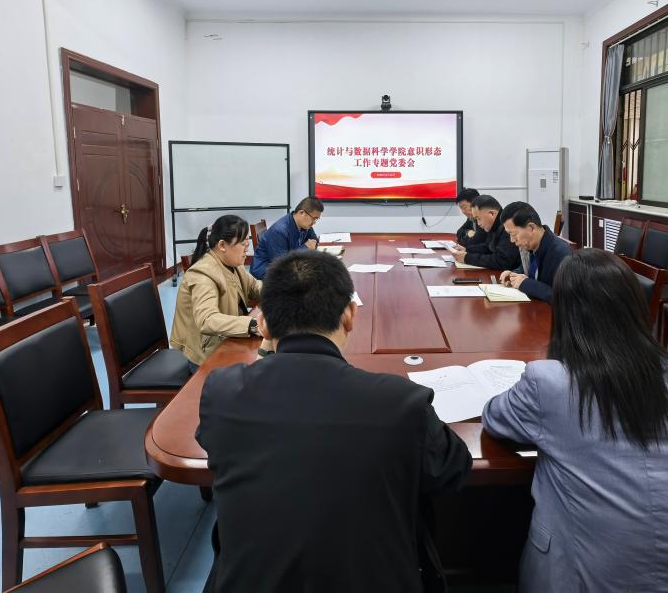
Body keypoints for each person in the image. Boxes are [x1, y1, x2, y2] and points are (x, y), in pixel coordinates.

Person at [482, 249, 668, 593]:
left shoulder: (549, 381)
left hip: (578, 580)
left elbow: (495, 418)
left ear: (566, 313)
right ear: (635, 308)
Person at [196, 250, 472, 593]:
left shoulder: (223, 392)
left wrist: (266, 356)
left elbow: (216, 443)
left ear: (263, 323)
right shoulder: (400, 402)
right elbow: (453, 468)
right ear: (350, 315)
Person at [170, 215, 269, 368]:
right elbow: (207, 320)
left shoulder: (233, 264)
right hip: (206, 355)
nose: (247, 248)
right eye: (242, 243)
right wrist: (254, 325)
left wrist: (282, 291)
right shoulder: (202, 274)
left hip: (226, 341)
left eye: (247, 242)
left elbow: (254, 287)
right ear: (222, 245)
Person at [499, 203, 572, 302]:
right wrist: (514, 275)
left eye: (513, 234)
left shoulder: (561, 254)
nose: (512, 240)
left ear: (531, 228)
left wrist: (526, 284)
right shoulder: (530, 246)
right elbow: (530, 269)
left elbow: (565, 298)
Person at [249, 197, 323, 279]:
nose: (314, 222)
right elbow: (282, 264)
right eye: (313, 218)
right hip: (266, 271)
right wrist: (305, 247)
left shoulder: (304, 225)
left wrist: (310, 246)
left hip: (288, 264)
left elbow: (314, 240)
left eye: (316, 219)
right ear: (301, 213)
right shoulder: (279, 231)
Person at [451, 195, 520, 270]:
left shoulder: (507, 226)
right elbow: (487, 247)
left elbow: (502, 261)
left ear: (491, 214)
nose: (478, 224)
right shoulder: (494, 224)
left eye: (478, 218)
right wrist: (466, 250)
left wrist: (467, 258)